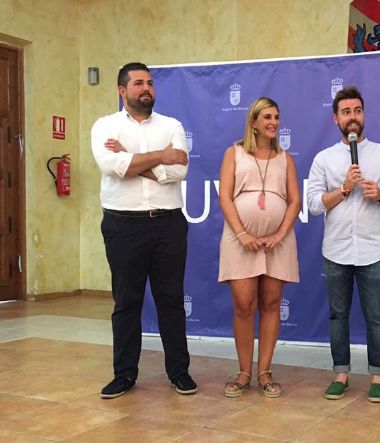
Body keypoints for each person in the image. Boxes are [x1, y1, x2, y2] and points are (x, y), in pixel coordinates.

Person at [91, 62, 197, 399]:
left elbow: (179, 171)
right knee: (127, 302)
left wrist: (134, 159)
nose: (146, 88)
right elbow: (114, 166)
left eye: (150, 82)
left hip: (168, 224)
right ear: (122, 90)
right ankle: (124, 375)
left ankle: (179, 372)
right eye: (138, 83)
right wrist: (161, 156)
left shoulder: (171, 125)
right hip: (123, 225)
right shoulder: (105, 126)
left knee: (171, 300)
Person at [308, 86, 380, 403]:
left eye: (357, 111)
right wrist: (343, 189)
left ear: (363, 114)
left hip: (373, 249)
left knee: (376, 316)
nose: (352, 117)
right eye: (346, 112)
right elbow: (313, 204)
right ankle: (341, 374)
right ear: (335, 118)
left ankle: (377, 376)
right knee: (338, 315)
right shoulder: (324, 158)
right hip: (336, 249)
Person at [218, 97, 301, 398]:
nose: (273, 122)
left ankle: (265, 371)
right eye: (267, 117)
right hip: (240, 240)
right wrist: (242, 234)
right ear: (253, 122)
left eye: (276, 117)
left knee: (271, 303)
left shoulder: (285, 158)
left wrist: (279, 235)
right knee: (243, 305)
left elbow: (295, 201)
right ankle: (244, 372)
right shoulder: (234, 153)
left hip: (278, 242)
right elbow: (225, 197)